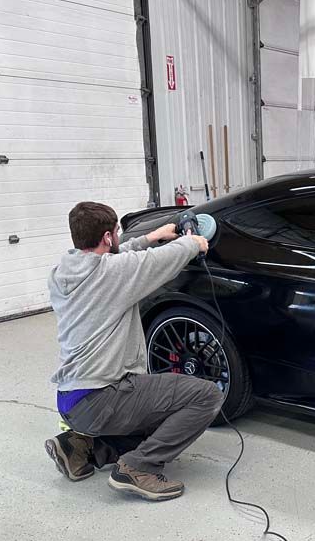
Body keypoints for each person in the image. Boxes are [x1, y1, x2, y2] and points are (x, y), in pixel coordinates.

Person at [44, 201, 223, 501]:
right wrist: (192, 242)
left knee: (156, 419)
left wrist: (150, 237)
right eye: (116, 232)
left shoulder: (63, 271)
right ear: (106, 238)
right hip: (103, 397)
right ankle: (139, 467)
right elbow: (158, 262)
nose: (118, 237)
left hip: (71, 400)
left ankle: (78, 448)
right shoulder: (113, 274)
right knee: (206, 396)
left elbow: (119, 257)